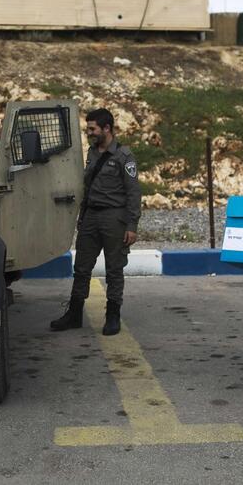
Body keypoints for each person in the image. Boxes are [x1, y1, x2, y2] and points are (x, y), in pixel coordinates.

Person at [50, 108, 141, 336]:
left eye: (93, 128)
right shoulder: (91, 152)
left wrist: (131, 226)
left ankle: (112, 316)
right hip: (91, 217)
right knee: (81, 267)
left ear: (107, 128)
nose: (89, 132)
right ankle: (74, 314)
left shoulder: (123, 156)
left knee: (114, 270)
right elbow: (87, 188)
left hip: (114, 219)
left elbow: (133, 193)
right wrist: (82, 218)